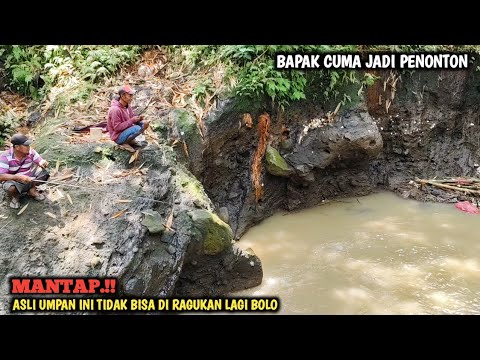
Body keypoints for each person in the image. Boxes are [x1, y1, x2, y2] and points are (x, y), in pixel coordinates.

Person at [0, 133, 50, 209]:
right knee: (11, 187)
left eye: (28, 145)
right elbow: (1, 176)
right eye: (26, 145)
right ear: (17, 147)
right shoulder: (5, 157)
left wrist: (42, 163)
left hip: (28, 178)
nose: (28, 147)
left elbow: (39, 160)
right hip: (14, 181)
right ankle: (14, 197)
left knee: (44, 173)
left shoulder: (30, 152)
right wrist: (18, 177)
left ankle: (32, 190)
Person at [107, 85, 150, 153]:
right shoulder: (115, 110)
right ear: (123, 96)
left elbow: (131, 119)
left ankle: (129, 140)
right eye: (130, 96)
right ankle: (123, 143)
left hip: (125, 130)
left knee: (145, 124)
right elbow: (117, 128)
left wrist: (139, 119)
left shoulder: (127, 106)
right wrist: (132, 120)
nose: (132, 98)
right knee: (137, 128)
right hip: (118, 136)